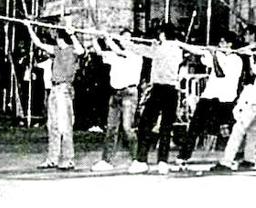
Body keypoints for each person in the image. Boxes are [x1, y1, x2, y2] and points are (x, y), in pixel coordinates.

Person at [122, 24, 201, 174]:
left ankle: (141, 161)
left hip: (159, 89)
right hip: (172, 91)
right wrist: (179, 43)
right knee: (166, 127)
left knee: (146, 124)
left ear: (163, 34)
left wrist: (125, 42)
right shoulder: (176, 49)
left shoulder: (160, 48)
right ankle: (162, 162)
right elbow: (196, 51)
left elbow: (139, 49)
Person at [175, 32, 243, 168]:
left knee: (227, 130)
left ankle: (235, 156)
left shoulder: (236, 60)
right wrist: (180, 44)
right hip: (209, 96)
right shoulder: (217, 54)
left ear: (230, 44)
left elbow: (220, 73)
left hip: (226, 99)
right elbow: (198, 51)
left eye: (223, 42)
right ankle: (183, 156)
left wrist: (214, 56)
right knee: (195, 126)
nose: (220, 44)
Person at [25, 20, 85, 170]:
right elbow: (38, 43)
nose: (51, 34)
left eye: (54, 32)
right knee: (52, 126)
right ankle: (52, 159)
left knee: (65, 126)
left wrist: (73, 34)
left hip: (64, 90)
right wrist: (28, 27)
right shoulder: (56, 50)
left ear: (59, 35)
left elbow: (82, 51)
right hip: (54, 90)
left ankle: (69, 159)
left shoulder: (72, 50)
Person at [91, 30, 143, 172]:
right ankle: (106, 160)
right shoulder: (115, 55)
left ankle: (136, 160)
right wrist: (94, 38)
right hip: (115, 94)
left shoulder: (135, 55)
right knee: (111, 128)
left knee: (127, 128)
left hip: (129, 94)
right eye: (123, 38)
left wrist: (107, 38)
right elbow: (99, 52)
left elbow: (118, 51)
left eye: (128, 39)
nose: (125, 41)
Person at [211, 45, 256, 172]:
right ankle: (250, 159)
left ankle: (227, 160)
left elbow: (253, 72)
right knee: (253, 130)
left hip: (253, 96)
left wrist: (249, 56)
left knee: (239, 129)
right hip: (252, 95)